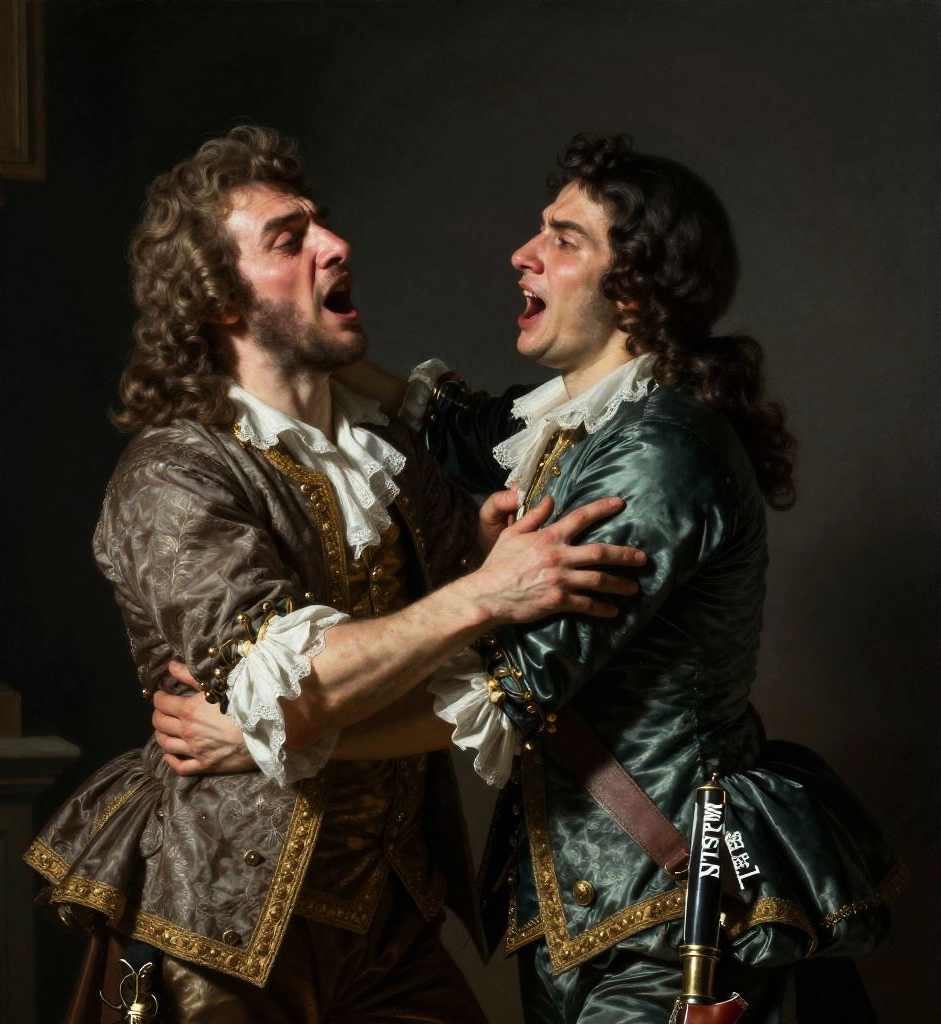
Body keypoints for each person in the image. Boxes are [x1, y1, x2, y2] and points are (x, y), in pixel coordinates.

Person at [163, 133, 904, 1022]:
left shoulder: (656, 454)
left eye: (563, 238)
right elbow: (456, 423)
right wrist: (281, 325)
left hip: (671, 916)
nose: (525, 252)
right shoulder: (581, 427)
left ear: (633, 289)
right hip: (584, 915)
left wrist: (265, 740)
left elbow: (504, 693)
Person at [23, 125, 647, 1024]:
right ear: (219, 299)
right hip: (222, 929)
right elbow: (292, 692)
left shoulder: (392, 459)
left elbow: (479, 672)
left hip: (393, 924)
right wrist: (483, 590)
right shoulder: (174, 474)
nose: (336, 244)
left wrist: (479, 563)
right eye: (289, 240)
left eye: (323, 223)